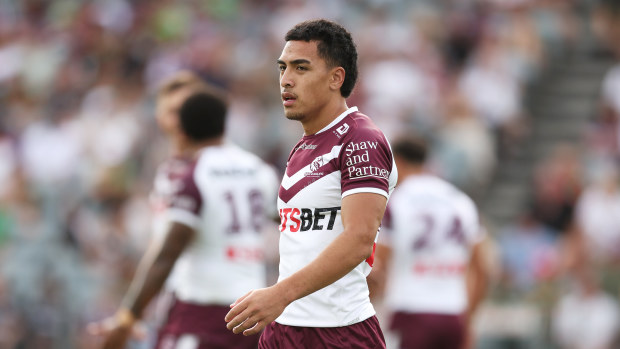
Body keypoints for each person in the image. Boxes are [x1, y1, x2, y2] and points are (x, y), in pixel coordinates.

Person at [224, 19, 397, 348]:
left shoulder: (361, 138)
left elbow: (360, 238)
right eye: (282, 68)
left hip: (338, 331)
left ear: (336, 78)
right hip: (284, 327)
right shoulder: (304, 145)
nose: (286, 80)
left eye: (301, 68)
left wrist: (280, 294)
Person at [88, 71, 279, 349]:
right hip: (252, 310)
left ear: (184, 126)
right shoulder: (259, 170)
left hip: (201, 308)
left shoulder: (190, 176)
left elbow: (167, 252)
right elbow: (291, 226)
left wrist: (128, 316)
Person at [368, 137, 490, 349]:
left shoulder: (397, 202)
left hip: (410, 310)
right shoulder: (461, 201)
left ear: (397, 162)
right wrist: (468, 319)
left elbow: (379, 265)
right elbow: (483, 268)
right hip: (453, 313)